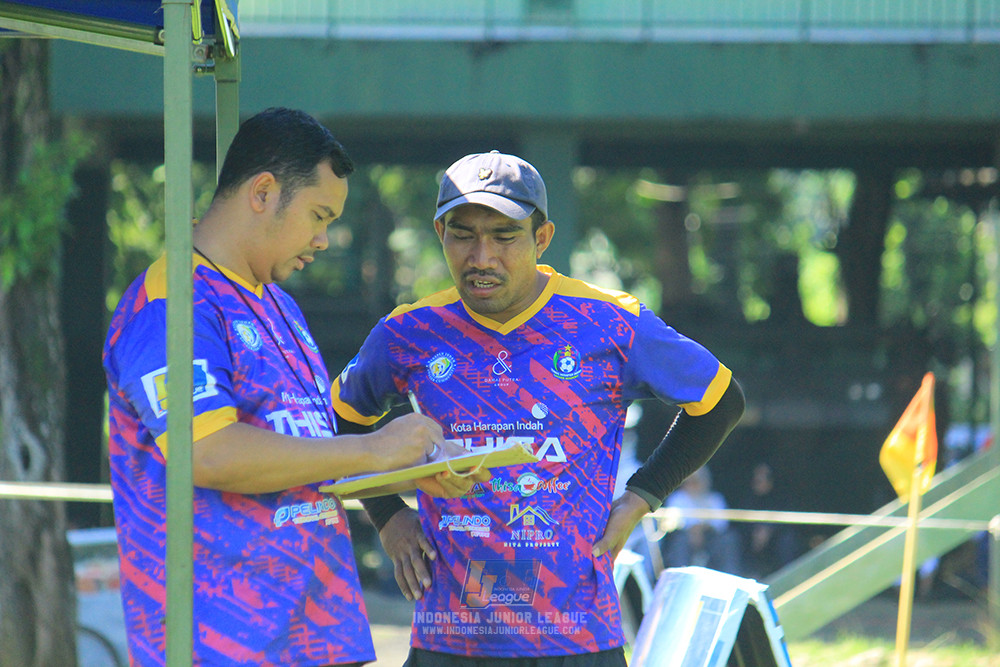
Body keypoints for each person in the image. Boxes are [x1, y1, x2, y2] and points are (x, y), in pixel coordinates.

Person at [332, 150, 746, 666]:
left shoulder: (611, 322)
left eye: (504, 236)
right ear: (441, 233)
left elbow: (721, 401)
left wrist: (642, 496)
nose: (482, 257)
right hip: (449, 639)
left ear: (542, 237)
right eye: (463, 234)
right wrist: (389, 517)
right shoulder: (408, 332)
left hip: (575, 639)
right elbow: (339, 420)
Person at [103, 107, 479, 667]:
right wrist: (372, 446)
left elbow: (308, 456)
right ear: (262, 192)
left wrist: (416, 463)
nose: (325, 240)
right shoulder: (171, 301)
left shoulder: (279, 303)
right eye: (318, 215)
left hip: (318, 638)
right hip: (222, 647)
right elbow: (204, 452)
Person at [660, 467, 741, 574]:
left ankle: (730, 576)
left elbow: (722, 524)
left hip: (711, 538)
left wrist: (703, 528)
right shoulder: (677, 498)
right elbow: (671, 523)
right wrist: (693, 530)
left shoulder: (715, 498)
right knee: (679, 541)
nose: (692, 485)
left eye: (696, 481)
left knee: (729, 538)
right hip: (685, 537)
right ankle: (679, 574)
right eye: (689, 482)